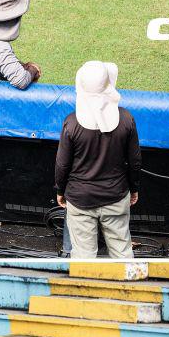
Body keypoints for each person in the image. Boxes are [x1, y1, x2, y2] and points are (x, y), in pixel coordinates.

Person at [55, 62, 141, 258]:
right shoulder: (126, 119)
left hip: (80, 199)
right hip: (116, 196)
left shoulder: (71, 124)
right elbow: (135, 161)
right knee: (122, 253)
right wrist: (134, 188)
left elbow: (62, 164)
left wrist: (60, 190)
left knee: (84, 258)